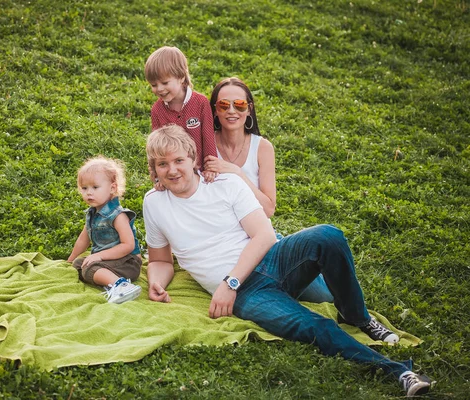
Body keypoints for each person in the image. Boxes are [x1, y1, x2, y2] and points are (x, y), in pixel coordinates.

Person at [142, 125, 432, 397]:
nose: (172, 170)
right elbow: (160, 260)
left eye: (178, 160)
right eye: (162, 164)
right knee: (313, 327)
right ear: (154, 169)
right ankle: (400, 372)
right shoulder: (154, 203)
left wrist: (229, 283)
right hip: (249, 294)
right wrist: (156, 283)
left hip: (270, 259)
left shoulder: (225, 184)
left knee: (327, 236)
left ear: (193, 158)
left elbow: (265, 235)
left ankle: (356, 316)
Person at [204, 77, 333, 303]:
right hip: (224, 244)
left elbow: (268, 208)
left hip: (261, 239)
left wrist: (237, 172)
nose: (231, 111)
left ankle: (306, 261)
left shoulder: (262, 147)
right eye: (224, 105)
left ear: (249, 109)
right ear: (215, 110)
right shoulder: (206, 145)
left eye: (239, 105)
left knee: (324, 296)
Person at [67, 156, 142, 304]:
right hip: (109, 261)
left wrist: (99, 256)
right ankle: (110, 280)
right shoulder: (92, 214)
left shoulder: (118, 215)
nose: (89, 192)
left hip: (128, 262)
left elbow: (128, 245)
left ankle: (122, 286)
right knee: (78, 265)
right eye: (84, 188)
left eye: (95, 187)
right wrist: (69, 260)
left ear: (112, 188)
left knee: (89, 268)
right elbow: (84, 238)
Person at [144, 46, 217, 183]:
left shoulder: (200, 102)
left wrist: (211, 168)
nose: (159, 89)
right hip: (173, 174)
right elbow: (157, 146)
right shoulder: (157, 110)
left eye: (165, 82)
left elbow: (208, 137)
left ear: (181, 77)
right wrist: (156, 174)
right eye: (153, 85)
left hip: (200, 172)